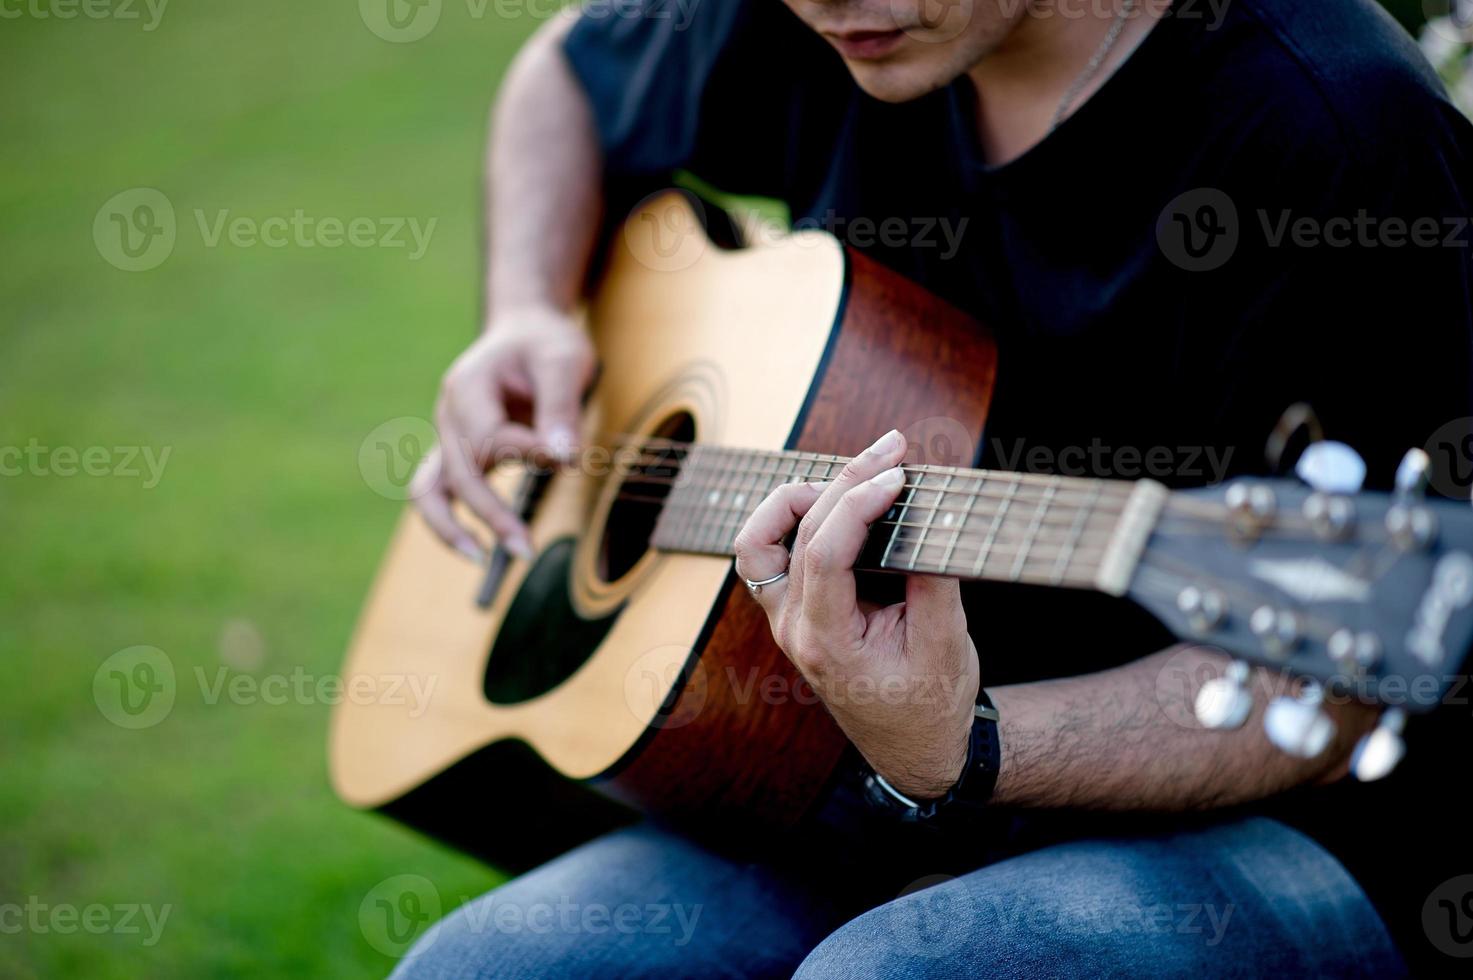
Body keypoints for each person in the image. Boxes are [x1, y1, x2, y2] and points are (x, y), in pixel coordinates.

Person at [401, 1, 1473, 975]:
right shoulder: (825, 20)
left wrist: (964, 748)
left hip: (1289, 827)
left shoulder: (1330, 117)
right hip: (840, 772)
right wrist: (527, 309)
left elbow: (1327, 693)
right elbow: (565, 72)